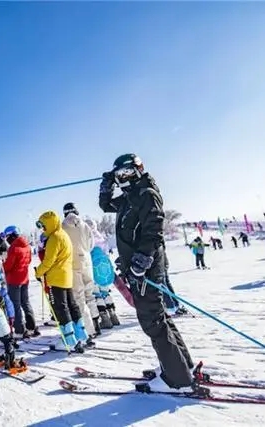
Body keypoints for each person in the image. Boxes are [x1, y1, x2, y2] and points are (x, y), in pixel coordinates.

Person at [98, 153, 195, 394]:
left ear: (140, 169)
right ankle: (181, 367)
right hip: (138, 268)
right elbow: (104, 204)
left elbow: (154, 230)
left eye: (129, 172)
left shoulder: (146, 194)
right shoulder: (130, 197)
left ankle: (177, 379)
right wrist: (107, 183)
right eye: (121, 175)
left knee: (152, 320)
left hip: (147, 268)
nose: (125, 178)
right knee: (158, 316)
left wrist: (142, 260)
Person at [34, 210, 89, 352]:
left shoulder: (54, 238)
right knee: (72, 305)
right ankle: (81, 335)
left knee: (60, 308)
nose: (43, 229)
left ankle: (69, 340)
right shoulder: (63, 235)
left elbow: (48, 261)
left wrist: (38, 272)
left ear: (50, 224)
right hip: (66, 277)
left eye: (44, 225)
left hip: (56, 278)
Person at [61, 202, 99, 341]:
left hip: (73, 264)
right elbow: (91, 244)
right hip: (86, 262)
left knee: (79, 299)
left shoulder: (63, 227)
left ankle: (88, 331)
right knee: (90, 294)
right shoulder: (85, 225)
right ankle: (96, 323)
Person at [2, 225, 39, 339]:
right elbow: (28, 261)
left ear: (12, 235)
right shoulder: (26, 245)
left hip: (14, 280)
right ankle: (32, 326)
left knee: (16, 305)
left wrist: (3, 264)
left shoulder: (14, 247)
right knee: (25, 302)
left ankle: (19, 330)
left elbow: (8, 266)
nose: (7, 239)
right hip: (24, 278)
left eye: (8, 236)